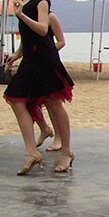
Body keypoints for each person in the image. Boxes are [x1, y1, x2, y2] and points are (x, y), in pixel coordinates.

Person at [3, 0, 75, 175]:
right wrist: (16, 54)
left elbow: (43, 30)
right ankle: (31, 151)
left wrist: (21, 15)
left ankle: (66, 151)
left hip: (45, 59)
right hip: (30, 58)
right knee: (16, 100)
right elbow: (28, 37)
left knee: (54, 104)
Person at [33, 11, 67, 153]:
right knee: (27, 99)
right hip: (32, 62)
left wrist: (48, 51)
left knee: (51, 101)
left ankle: (59, 137)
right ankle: (44, 128)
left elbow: (61, 41)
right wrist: (17, 54)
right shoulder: (28, 18)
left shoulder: (50, 17)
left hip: (48, 62)